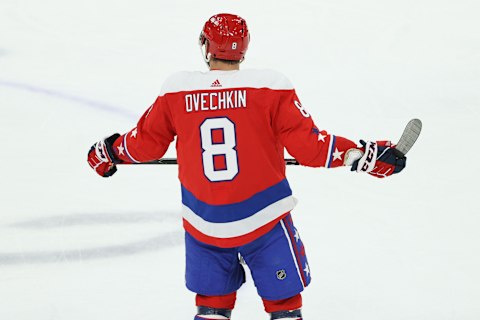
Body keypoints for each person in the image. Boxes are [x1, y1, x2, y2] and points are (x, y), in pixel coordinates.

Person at [87, 13, 406, 320]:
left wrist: (109, 152)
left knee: (212, 306)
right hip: (263, 222)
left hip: (205, 225)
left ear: (207, 46)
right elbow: (311, 148)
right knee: (284, 306)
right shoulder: (270, 87)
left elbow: (146, 144)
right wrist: (366, 155)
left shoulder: (177, 90)